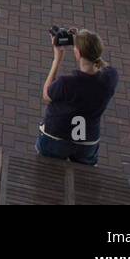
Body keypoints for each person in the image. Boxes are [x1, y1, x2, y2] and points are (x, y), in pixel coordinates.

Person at [37, 28, 118, 166]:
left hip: (56, 136)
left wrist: (57, 58)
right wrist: (85, 41)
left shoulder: (66, 83)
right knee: (84, 177)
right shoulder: (110, 77)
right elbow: (99, 62)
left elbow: (46, 95)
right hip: (88, 140)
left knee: (47, 170)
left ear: (78, 53)